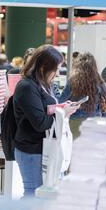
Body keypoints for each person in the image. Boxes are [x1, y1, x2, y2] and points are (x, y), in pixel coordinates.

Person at [13, 45, 78, 197]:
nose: (57, 73)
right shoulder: (27, 86)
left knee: (43, 195)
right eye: (55, 69)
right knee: (33, 194)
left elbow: (46, 109)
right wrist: (63, 112)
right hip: (31, 149)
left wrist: (61, 107)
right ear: (43, 67)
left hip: (43, 148)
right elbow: (40, 122)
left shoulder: (43, 84)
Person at [59, 52, 106, 138]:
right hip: (95, 121)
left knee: (75, 149)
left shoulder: (73, 81)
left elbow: (61, 101)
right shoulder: (100, 82)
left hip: (75, 121)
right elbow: (104, 105)